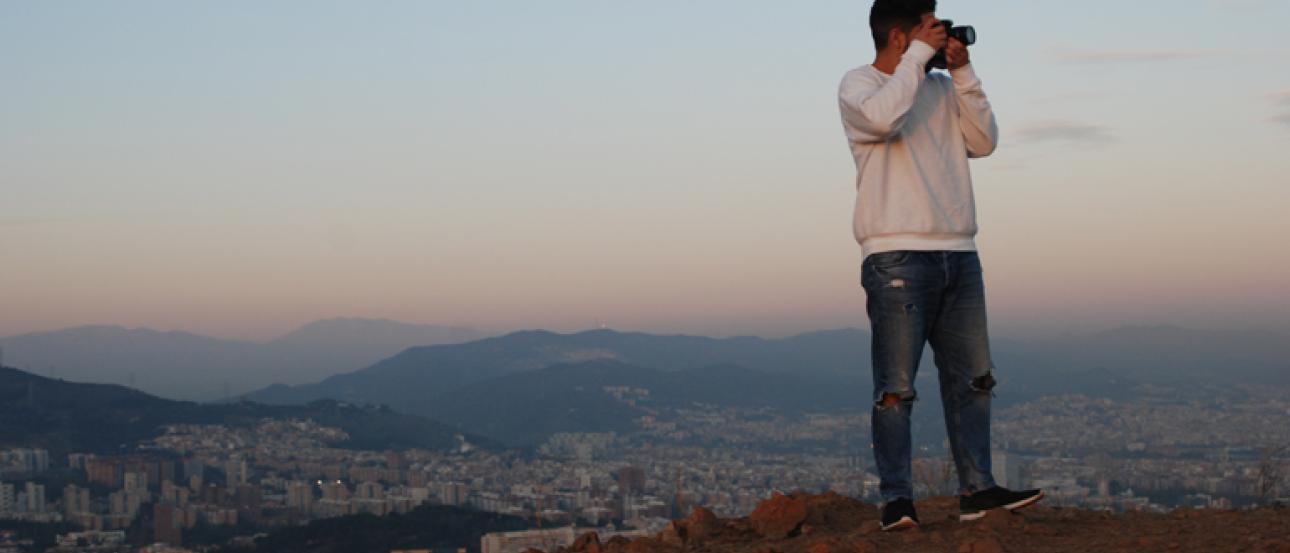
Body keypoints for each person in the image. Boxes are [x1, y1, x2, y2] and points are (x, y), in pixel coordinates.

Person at [836, 0, 1043, 531]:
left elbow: (984, 142)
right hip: (896, 253)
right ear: (902, 37)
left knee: (974, 380)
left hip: (960, 250)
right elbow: (883, 120)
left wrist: (963, 72)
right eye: (929, 27)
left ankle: (978, 489)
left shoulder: (941, 89)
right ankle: (898, 499)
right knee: (896, 388)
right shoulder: (858, 86)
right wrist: (917, 59)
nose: (939, 32)